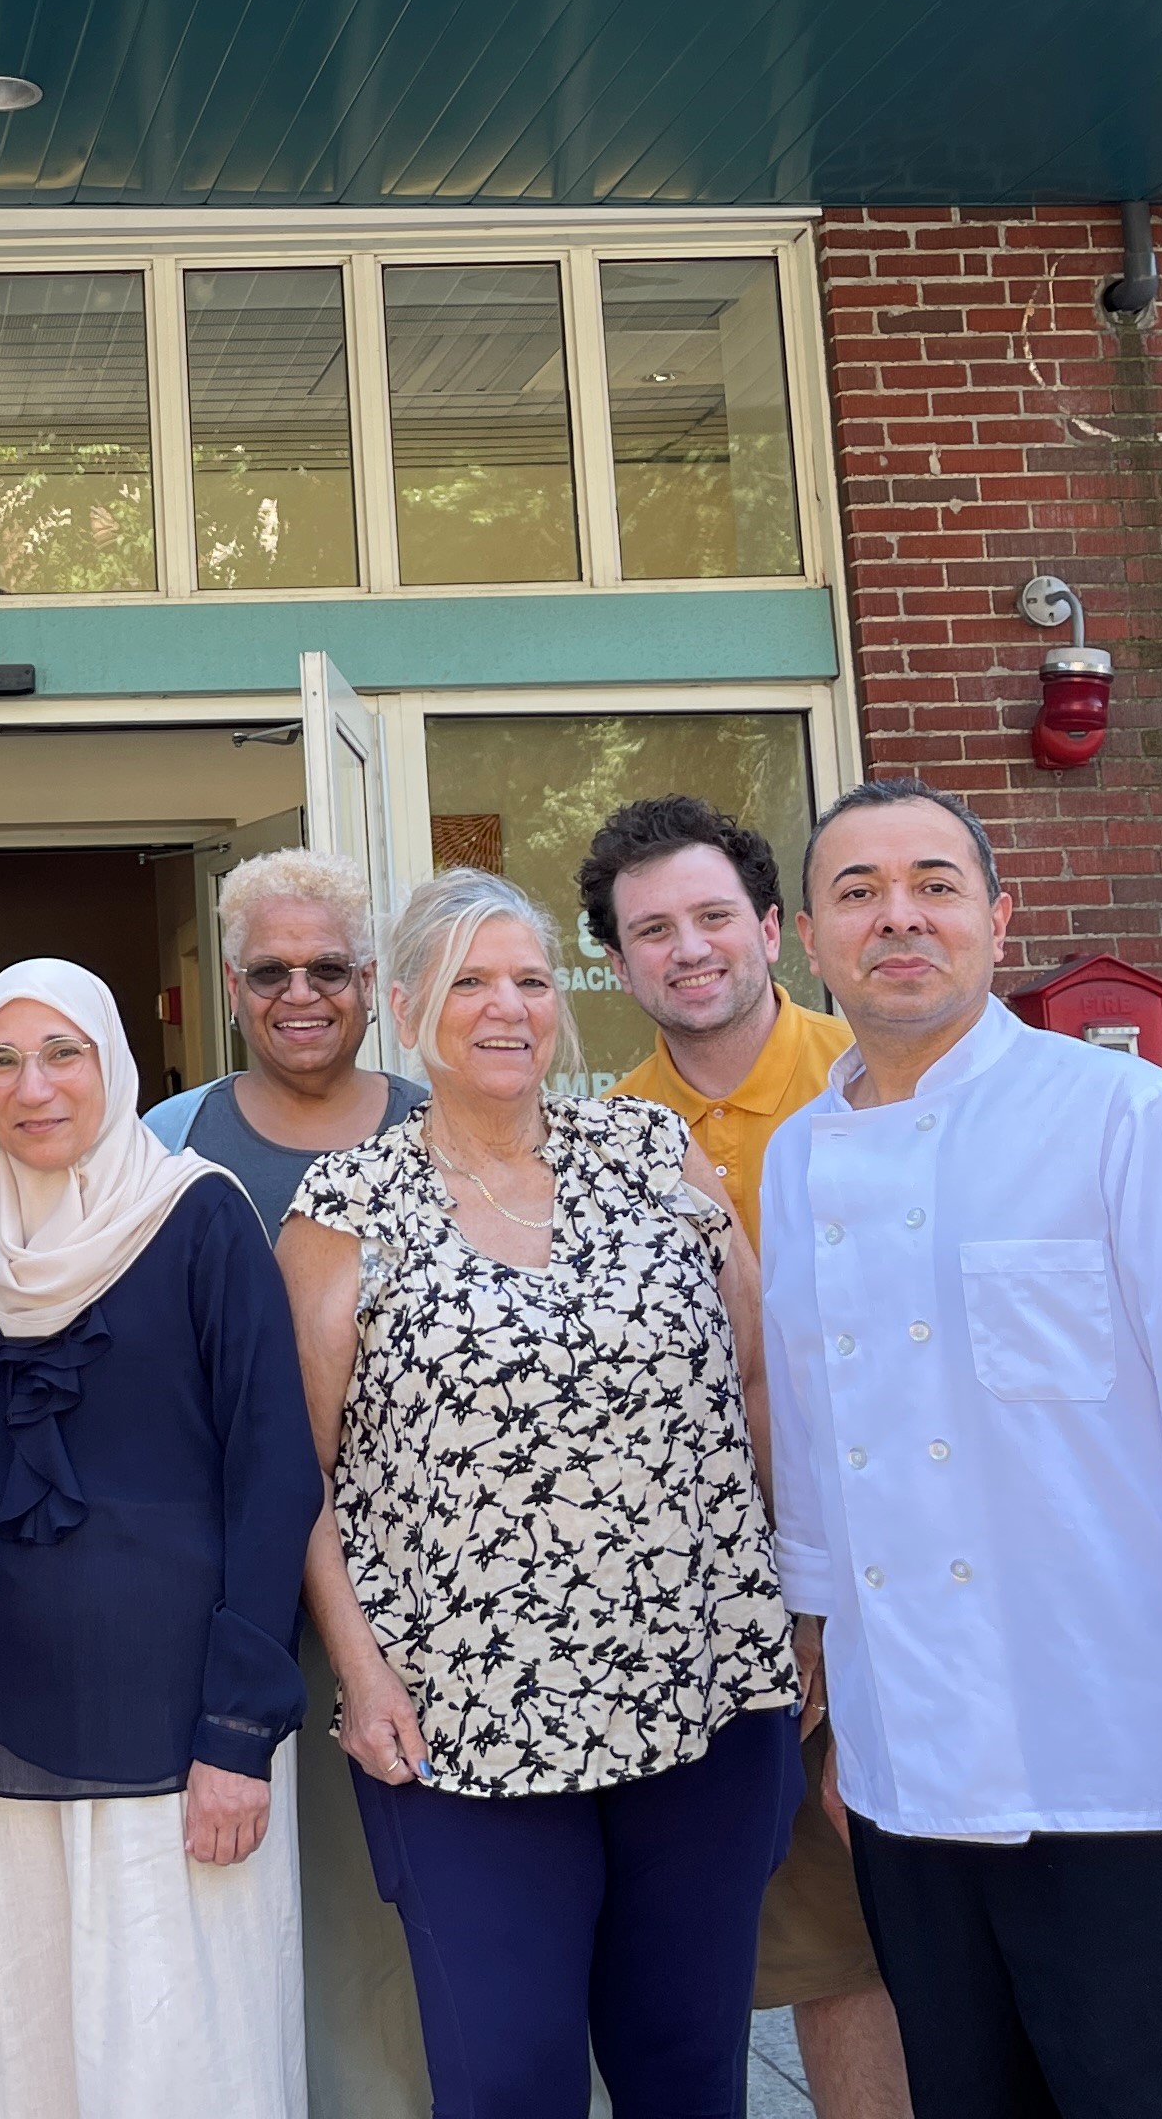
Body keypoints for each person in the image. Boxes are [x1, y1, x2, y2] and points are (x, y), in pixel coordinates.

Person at [765, 778, 1162, 2119]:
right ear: (805, 938)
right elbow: (824, 1463)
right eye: (857, 893)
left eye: (934, 886)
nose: (897, 917)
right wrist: (847, 1713)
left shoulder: (1128, 1122)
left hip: (1139, 1773)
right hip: (912, 1794)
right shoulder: (797, 1162)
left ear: (998, 922)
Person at [280, 868, 800, 2119]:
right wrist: (360, 1670)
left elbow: (757, 1381)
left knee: (688, 2071)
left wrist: (803, 1610)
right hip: (463, 1717)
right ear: (410, 1009)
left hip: (701, 1687)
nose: (506, 1008)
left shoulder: (650, 1154)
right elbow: (298, 1472)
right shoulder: (347, 1207)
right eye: (469, 982)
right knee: (507, 2076)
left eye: (527, 979)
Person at [0, 956, 320, 2119]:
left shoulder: (201, 1214)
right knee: (34, 2048)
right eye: (1, 1060)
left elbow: (275, 1477)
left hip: (180, 1729)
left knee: (181, 2052)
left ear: (110, 1062)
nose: (33, 1086)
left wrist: (240, 1730)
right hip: (13, 1723)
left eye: (64, 1054)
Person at [583, 797, 904, 2119]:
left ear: (775, 929)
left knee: (962, 1941)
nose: (689, 949)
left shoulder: (879, 1084)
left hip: (923, 1584)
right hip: (740, 1617)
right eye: (651, 930)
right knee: (827, 1954)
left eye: (714, 917)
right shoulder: (604, 1143)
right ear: (616, 963)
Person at [140, 847, 430, 2119]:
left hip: (431, 1599)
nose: (300, 992)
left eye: (329, 968)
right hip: (239, 1603)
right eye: (271, 971)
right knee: (265, 1911)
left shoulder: (446, 1123)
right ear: (232, 985)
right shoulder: (167, 1146)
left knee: (413, 1922)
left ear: (372, 983)